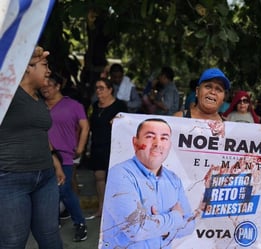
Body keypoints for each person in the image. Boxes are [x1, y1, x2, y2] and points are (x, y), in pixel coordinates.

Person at [0, 46, 64, 248]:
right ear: (27, 67)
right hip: (11, 179)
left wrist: (55, 161)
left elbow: (41, 134)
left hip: (45, 177)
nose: (49, 71)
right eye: (44, 65)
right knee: (13, 242)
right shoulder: (7, 94)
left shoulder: (38, 100)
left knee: (50, 237)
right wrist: (20, 51)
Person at [100, 118, 195, 248]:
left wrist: (164, 230)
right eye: (150, 136)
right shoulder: (120, 174)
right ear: (135, 142)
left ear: (169, 145)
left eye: (164, 138)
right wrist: (175, 217)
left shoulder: (173, 179)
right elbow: (136, 230)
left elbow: (190, 224)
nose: (157, 144)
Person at [40, 72, 89, 242]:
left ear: (58, 86)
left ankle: (80, 224)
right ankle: (53, 222)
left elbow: (85, 125)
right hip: (42, 155)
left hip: (65, 155)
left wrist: (81, 147)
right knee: (48, 190)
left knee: (63, 190)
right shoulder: (39, 105)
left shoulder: (73, 105)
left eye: (49, 85)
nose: (45, 88)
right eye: (43, 86)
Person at [88, 78, 128, 219]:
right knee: (99, 177)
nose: (98, 90)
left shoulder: (120, 106)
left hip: (113, 147)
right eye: (97, 88)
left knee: (114, 179)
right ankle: (102, 209)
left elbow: (126, 125)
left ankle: (116, 211)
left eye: (101, 87)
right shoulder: (95, 105)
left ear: (110, 89)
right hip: (97, 145)